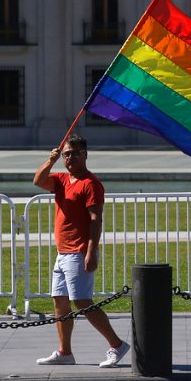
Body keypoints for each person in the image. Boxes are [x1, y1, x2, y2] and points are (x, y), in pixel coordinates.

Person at [33, 134, 129, 367]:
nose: (70, 157)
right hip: (62, 252)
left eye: (75, 153)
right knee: (60, 301)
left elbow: (96, 220)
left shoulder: (91, 184)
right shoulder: (62, 180)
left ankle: (117, 345)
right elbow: (38, 181)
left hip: (78, 251)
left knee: (82, 301)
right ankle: (65, 352)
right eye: (67, 153)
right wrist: (51, 160)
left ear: (85, 155)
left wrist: (91, 251)